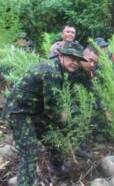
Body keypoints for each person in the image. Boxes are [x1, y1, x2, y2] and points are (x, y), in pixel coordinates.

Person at [2, 41, 87, 185]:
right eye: (72, 58)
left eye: (78, 60)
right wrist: (66, 127)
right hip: (18, 113)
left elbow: (53, 103)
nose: (75, 62)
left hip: (33, 111)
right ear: (61, 55)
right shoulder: (51, 72)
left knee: (51, 137)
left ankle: (57, 169)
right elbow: (51, 109)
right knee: (30, 152)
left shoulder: (57, 69)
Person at [68, 45, 112, 158]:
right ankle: (78, 148)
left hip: (77, 97)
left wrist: (105, 109)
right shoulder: (71, 66)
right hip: (61, 98)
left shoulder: (88, 71)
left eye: (95, 63)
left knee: (94, 109)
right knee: (76, 116)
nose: (92, 65)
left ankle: (97, 137)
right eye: (90, 60)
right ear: (83, 56)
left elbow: (93, 90)